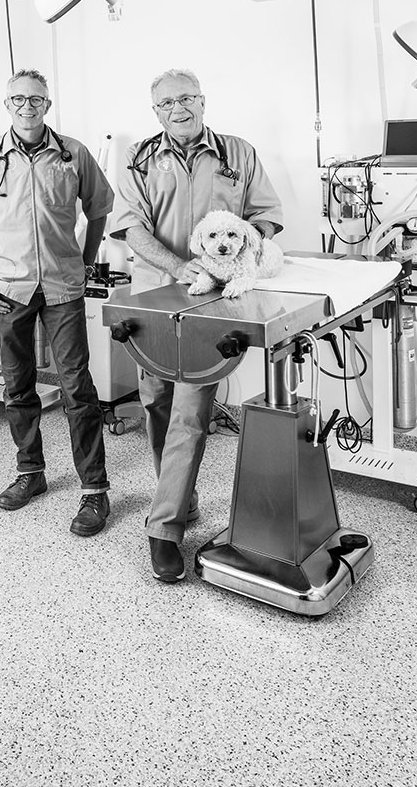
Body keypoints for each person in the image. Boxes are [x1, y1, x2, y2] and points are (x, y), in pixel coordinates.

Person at [111, 68, 284, 581]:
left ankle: (163, 528)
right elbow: (129, 226)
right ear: (155, 111)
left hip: (211, 306)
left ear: (203, 100)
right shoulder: (140, 158)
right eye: (166, 103)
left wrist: (236, 252)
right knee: (155, 402)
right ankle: (179, 499)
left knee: (190, 411)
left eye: (186, 98)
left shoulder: (237, 152)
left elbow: (267, 216)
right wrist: (176, 265)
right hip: (153, 298)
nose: (177, 109)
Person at [0, 68, 114, 537]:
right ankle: (31, 472)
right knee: (17, 385)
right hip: (8, 289)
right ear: (7, 105)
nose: (28, 106)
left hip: (64, 287)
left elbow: (99, 208)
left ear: (48, 104)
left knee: (77, 389)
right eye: (18, 99)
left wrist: (84, 262)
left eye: (37, 99)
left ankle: (93, 490)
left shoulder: (73, 154)